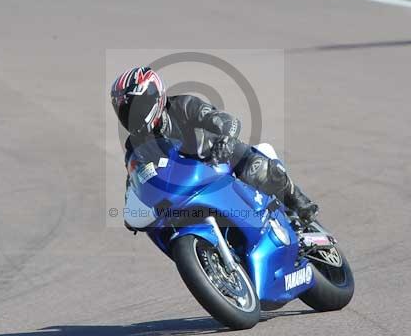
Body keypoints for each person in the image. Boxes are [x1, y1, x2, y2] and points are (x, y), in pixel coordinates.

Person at [110, 66, 319, 228]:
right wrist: (133, 210)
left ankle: (298, 202)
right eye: (124, 110)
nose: (130, 115)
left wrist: (225, 140)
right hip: (186, 187)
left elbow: (226, 121)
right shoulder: (135, 145)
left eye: (134, 107)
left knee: (256, 168)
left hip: (218, 161)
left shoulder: (183, 105)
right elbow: (134, 180)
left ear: (153, 96)